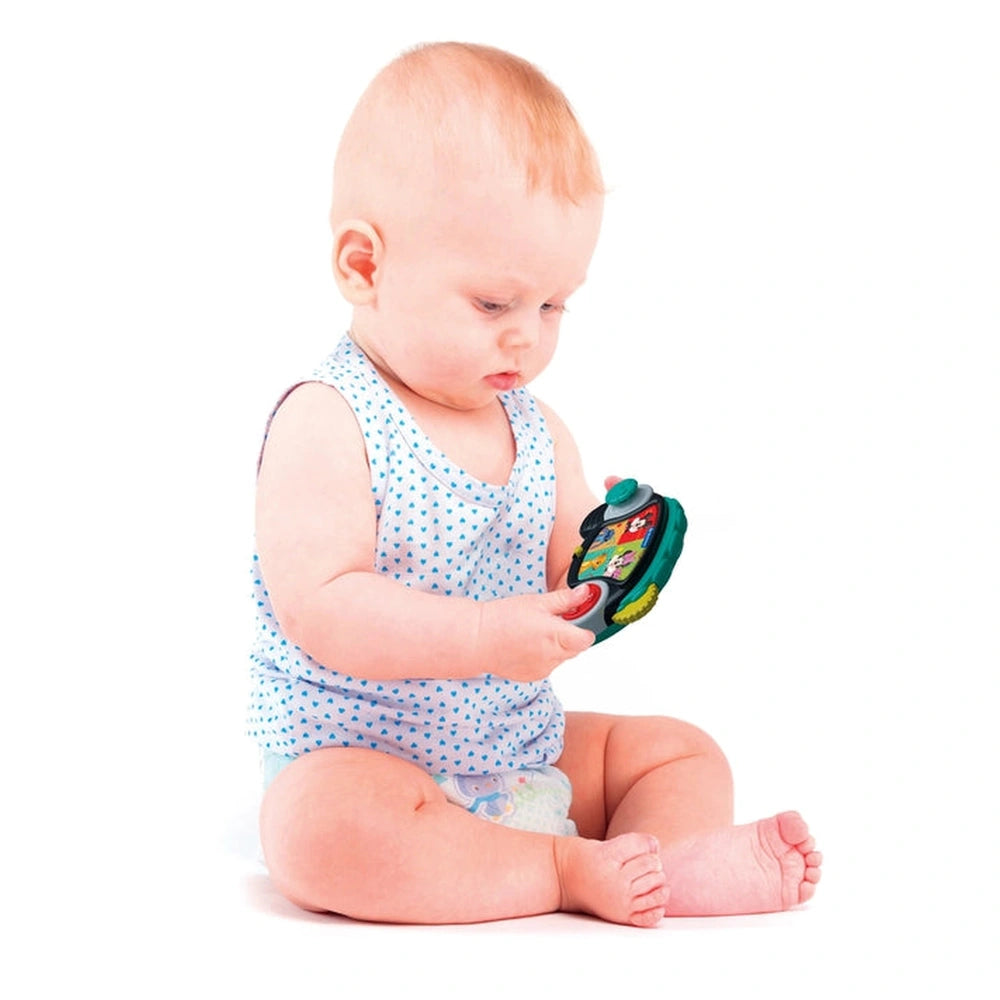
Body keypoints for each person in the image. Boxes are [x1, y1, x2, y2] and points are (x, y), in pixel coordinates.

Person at [248, 41, 821, 927]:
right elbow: (320, 607)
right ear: (364, 266)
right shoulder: (328, 419)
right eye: (493, 304)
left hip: (518, 749)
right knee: (311, 832)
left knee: (679, 751)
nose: (528, 336)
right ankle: (561, 870)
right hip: (369, 764)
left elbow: (567, 587)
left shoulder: (537, 429)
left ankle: (666, 867)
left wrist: (607, 559)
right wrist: (483, 635)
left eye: (554, 305)